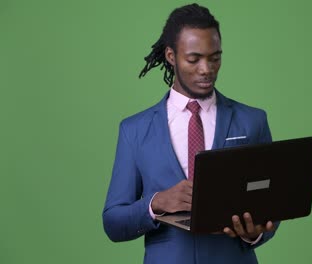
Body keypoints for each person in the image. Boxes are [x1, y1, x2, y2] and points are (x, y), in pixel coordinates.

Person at [102, 3, 278, 263]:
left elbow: (274, 204)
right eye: (194, 59)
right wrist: (156, 202)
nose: (206, 69)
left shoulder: (252, 121)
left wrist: (255, 234)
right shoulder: (134, 130)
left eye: (215, 58)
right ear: (171, 56)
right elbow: (113, 222)